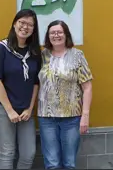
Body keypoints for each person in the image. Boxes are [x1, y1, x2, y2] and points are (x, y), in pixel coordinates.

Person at [0, 9, 42, 169]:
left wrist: (30, 108)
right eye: (22, 22)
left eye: (30, 25)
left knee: (28, 153)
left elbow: (35, 82)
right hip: (3, 109)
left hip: (25, 111)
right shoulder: (2, 48)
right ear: (14, 24)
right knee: (8, 152)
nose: (25, 27)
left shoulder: (34, 52)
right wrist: (10, 110)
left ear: (34, 29)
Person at [38, 20, 93, 169]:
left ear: (66, 34)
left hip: (71, 118)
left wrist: (85, 115)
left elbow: (87, 87)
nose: (56, 35)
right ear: (48, 36)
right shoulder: (42, 56)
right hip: (47, 117)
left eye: (59, 32)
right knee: (52, 164)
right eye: (52, 33)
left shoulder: (77, 55)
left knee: (69, 163)